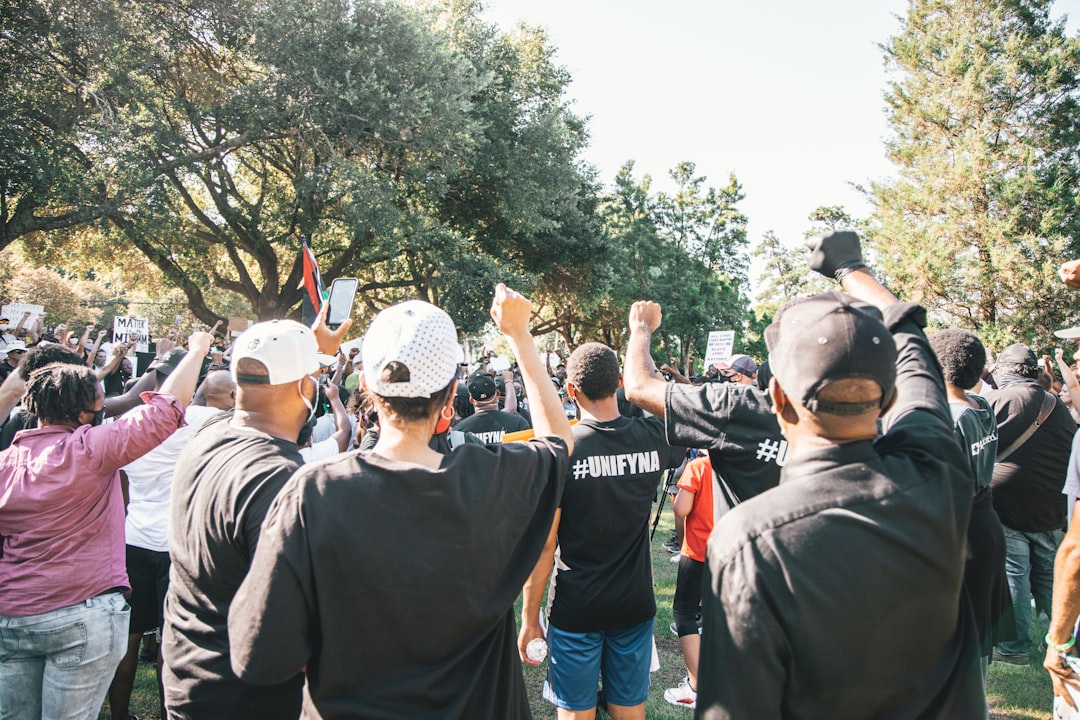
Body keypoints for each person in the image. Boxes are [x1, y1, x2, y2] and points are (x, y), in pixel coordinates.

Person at [227, 285, 572, 719]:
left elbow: (257, 655)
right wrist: (519, 335)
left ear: (368, 386)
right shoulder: (494, 477)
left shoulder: (314, 493)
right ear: (451, 397)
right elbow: (558, 439)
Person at [680, 231, 984, 716]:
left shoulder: (749, 540)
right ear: (886, 400)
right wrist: (850, 268)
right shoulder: (938, 473)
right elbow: (914, 349)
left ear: (778, 397)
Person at [0, 331, 210, 720]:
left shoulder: (6, 464)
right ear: (84, 413)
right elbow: (165, 410)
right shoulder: (91, 450)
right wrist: (197, 351)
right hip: (83, 610)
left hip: (13, 614)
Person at [162, 307, 349, 720]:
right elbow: (285, 623)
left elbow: (263, 378)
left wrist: (308, 350)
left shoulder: (208, 435)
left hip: (188, 675)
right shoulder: (279, 480)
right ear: (306, 386)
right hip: (245, 697)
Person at [520, 341, 683, 720]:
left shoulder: (564, 449)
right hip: (634, 601)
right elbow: (672, 404)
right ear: (622, 383)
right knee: (630, 710)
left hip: (577, 606)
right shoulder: (651, 437)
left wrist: (530, 619)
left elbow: (545, 546)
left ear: (571, 391)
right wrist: (641, 344)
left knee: (576, 713)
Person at [107, 367, 236, 720]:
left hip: (134, 535)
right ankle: (168, 714)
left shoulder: (132, 419)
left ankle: (119, 714)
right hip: (175, 539)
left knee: (129, 636)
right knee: (171, 635)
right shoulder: (203, 417)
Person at [929, 328, 1012, 705]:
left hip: (959, 532)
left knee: (958, 632)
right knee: (979, 632)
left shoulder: (951, 417)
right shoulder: (982, 406)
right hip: (985, 522)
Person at [986, 343, 1076, 664]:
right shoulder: (1058, 405)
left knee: (1014, 575)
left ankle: (1013, 647)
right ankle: (1062, 644)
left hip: (1009, 505)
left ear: (1004, 371)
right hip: (1053, 506)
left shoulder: (995, 401)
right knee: (1050, 577)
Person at [665, 453, 714, 709]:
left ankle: (696, 687)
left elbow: (681, 509)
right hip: (730, 551)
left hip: (697, 552)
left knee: (684, 613)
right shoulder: (740, 467)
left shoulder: (698, 466)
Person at [453, 369, 531, 443]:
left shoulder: (459, 431)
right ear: (497, 394)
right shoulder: (518, 423)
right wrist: (508, 381)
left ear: (471, 400)